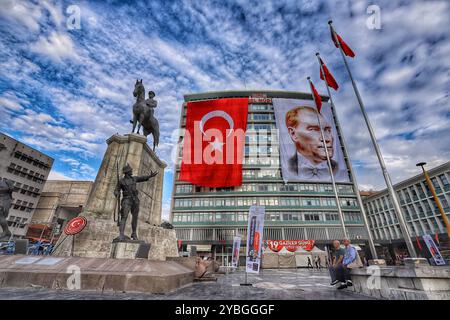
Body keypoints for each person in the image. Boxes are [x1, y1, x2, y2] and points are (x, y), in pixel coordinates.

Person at [285, 106, 347, 181]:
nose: (327, 139)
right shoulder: (287, 165)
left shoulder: (338, 167)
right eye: (314, 130)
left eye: (328, 130)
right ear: (293, 134)